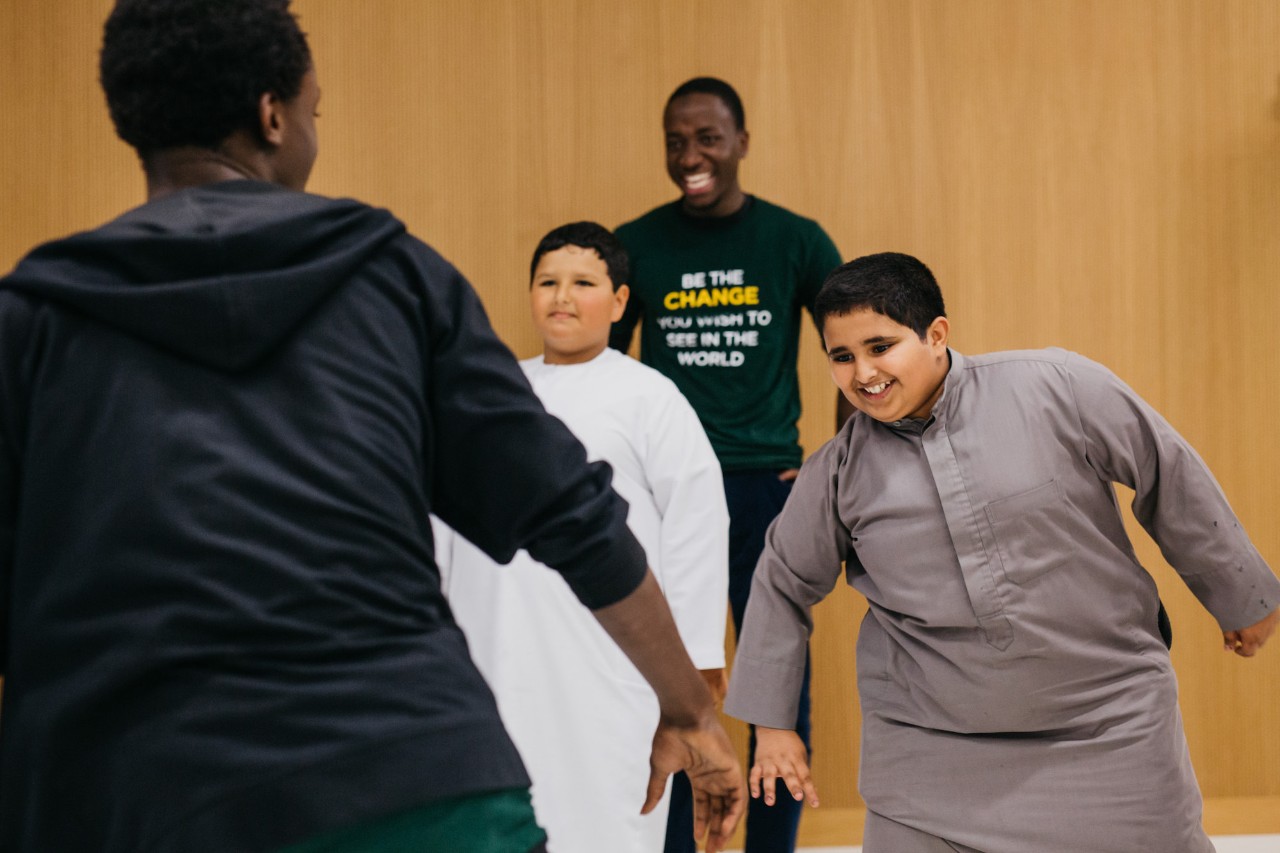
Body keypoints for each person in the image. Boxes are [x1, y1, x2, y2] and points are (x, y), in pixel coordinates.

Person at [0, 3, 744, 852]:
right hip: (410, 778)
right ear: (272, 116)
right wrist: (689, 710)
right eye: (314, 111)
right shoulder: (394, 280)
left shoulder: (34, 320)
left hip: (126, 791)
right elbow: (572, 512)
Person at [724, 252, 1280, 853]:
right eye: (842, 356)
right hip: (929, 755)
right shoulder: (837, 471)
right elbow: (781, 583)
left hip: (1110, 728)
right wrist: (772, 726)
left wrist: (1241, 596)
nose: (863, 373)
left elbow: (1166, 472)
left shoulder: (1056, 387)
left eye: (880, 347)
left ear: (936, 334)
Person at [436, 222, 729, 853]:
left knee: (609, 807)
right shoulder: (494, 391)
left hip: (613, 650)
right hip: (494, 642)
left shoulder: (650, 396)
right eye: (548, 282)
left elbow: (697, 524)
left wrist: (698, 657)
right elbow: (445, 515)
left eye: (583, 283)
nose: (562, 297)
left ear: (620, 302)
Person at [609, 75, 842, 853]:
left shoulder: (796, 240)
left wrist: (836, 469)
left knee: (775, 684)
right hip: (669, 493)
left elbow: (856, 341)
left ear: (741, 141)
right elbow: (603, 368)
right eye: (675, 141)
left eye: (707, 138)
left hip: (763, 487)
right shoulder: (637, 244)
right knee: (676, 681)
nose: (691, 156)